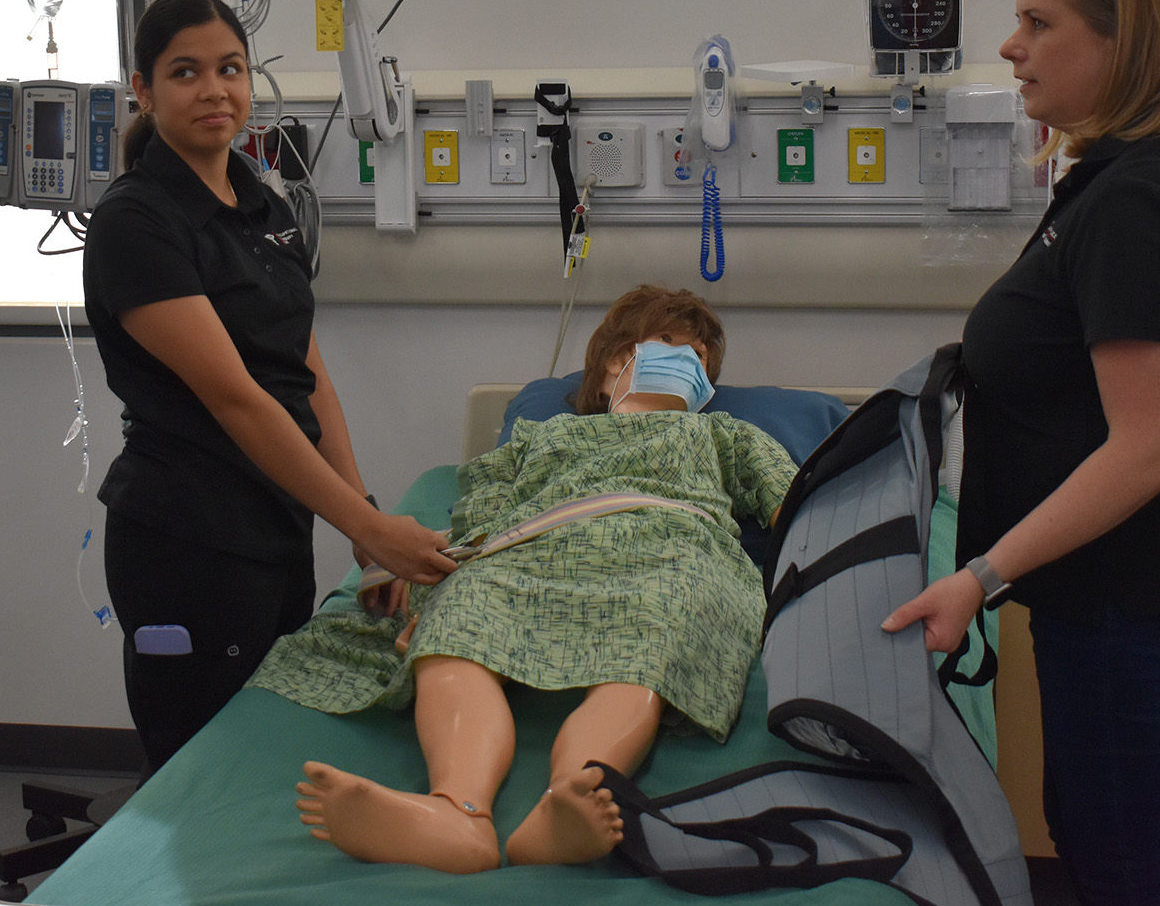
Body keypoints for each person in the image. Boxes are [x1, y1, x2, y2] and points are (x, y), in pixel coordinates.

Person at [883, 0, 1160, 906]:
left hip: (1127, 596)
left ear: (1120, 43)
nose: (1009, 45)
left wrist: (977, 576)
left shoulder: (1142, 203)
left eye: (1036, 23)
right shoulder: (1139, 178)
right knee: (1103, 841)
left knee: (1124, 870)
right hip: (1125, 588)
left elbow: (1145, 446)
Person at [255, 285, 796, 874]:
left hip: (671, 552)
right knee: (457, 628)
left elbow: (798, 507)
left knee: (656, 633)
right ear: (617, 360)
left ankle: (570, 797)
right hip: (531, 556)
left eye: (701, 360)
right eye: (670, 344)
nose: (690, 364)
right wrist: (423, 593)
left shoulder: (724, 436)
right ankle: (457, 813)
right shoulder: (541, 437)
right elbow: (477, 525)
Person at [81, 0, 455, 777]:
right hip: (188, 544)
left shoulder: (263, 202)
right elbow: (236, 397)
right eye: (186, 72)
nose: (215, 89)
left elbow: (304, 366)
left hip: (274, 534)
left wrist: (363, 525)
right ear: (143, 89)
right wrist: (367, 525)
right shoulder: (135, 223)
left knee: (265, 760)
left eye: (231, 68)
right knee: (204, 777)